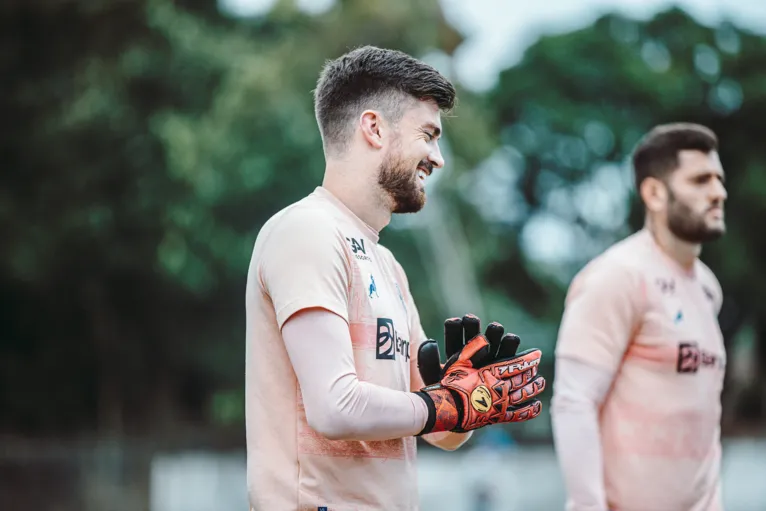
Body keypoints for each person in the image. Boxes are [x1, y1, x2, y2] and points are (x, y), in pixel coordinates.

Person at [244, 46, 546, 511]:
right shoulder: (305, 231)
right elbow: (335, 406)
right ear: (374, 128)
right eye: (428, 135)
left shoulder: (388, 266)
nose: (438, 158)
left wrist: (469, 402)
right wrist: (443, 404)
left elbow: (441, 432)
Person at [551, 123, 728, 511]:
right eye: (701, 180)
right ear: (654, 193)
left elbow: (702, 419)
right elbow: (573, 402)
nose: (718, 193)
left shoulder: (707, 287)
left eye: (719, 179)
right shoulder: (618, 276)